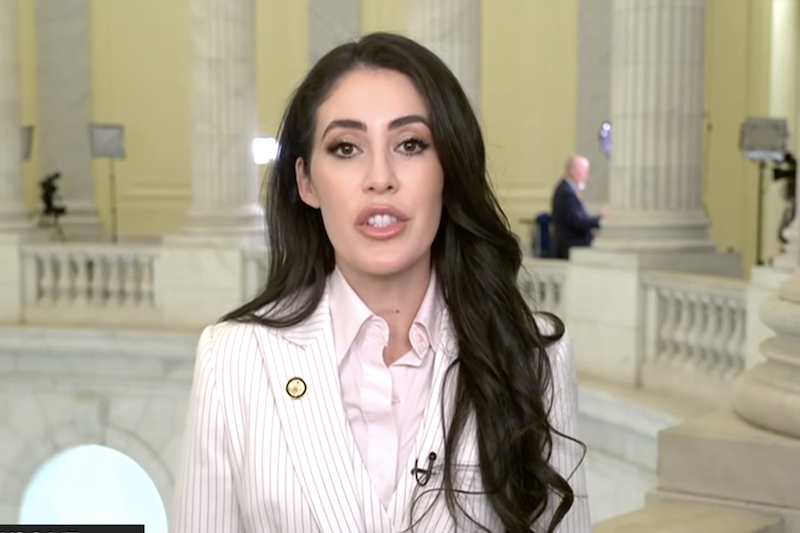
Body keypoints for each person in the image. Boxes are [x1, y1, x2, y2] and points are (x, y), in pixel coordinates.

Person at [171, 32, 590, 533]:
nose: (380, 177)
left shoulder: (533, 354)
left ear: (448, 170)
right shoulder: (232, 359)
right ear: (307, 182)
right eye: (346, 148)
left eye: (410, 145)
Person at [550, 156, 607, 259]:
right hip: (570, 247)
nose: (586, 176)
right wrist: (601, 218)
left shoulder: (568, 189)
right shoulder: (566, 193)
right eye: (585, 172)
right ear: (573, 172)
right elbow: (577, 222)